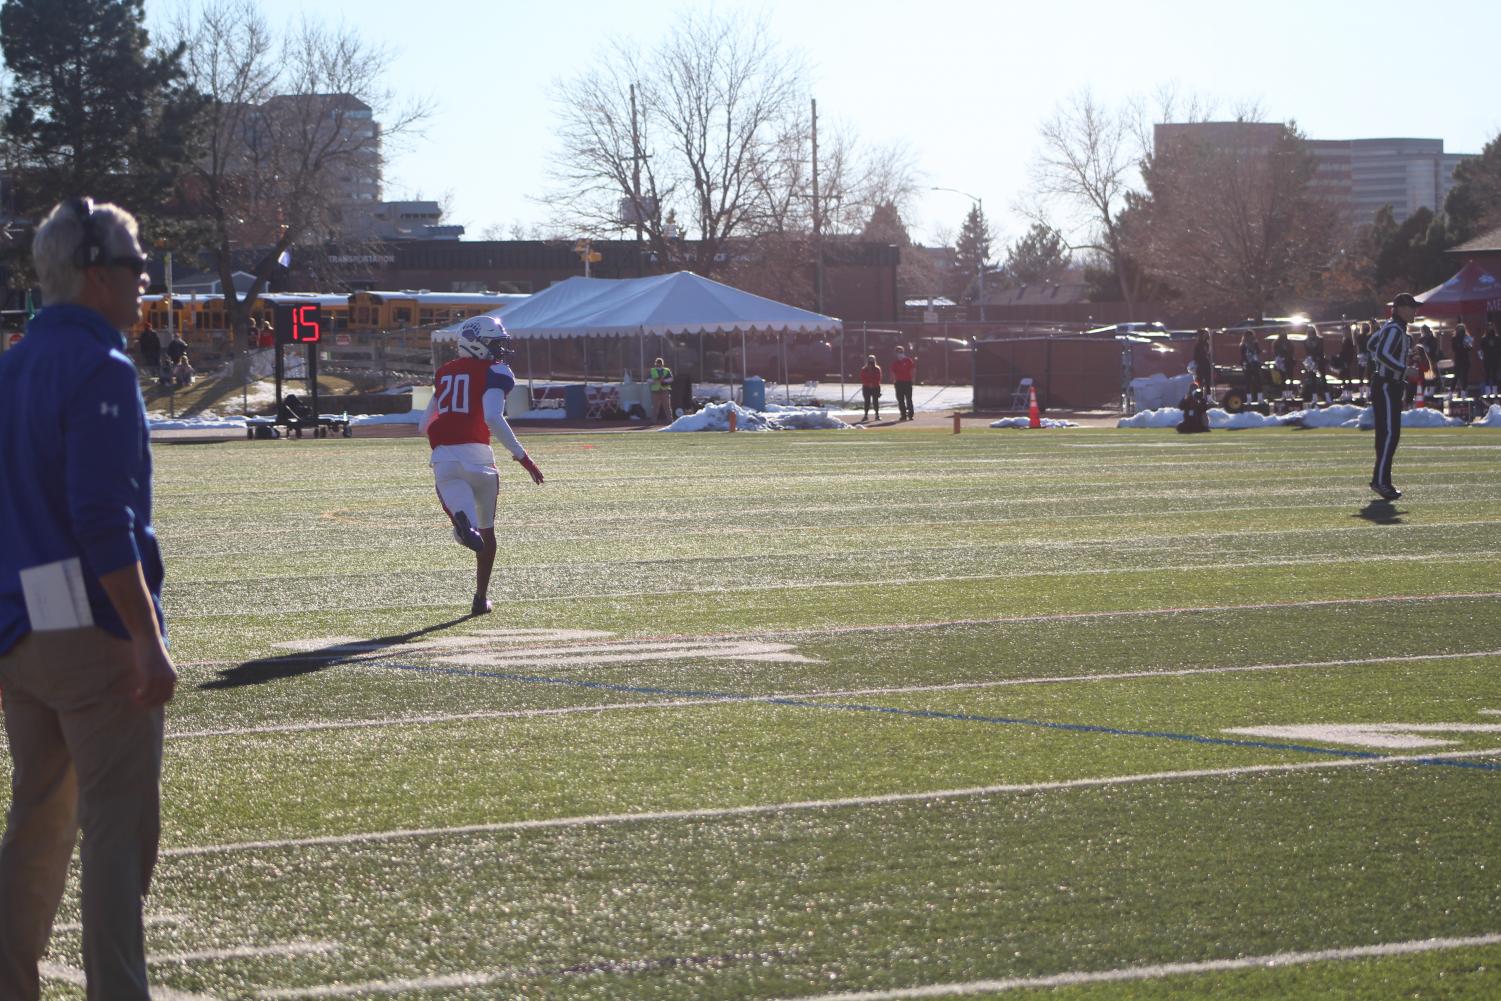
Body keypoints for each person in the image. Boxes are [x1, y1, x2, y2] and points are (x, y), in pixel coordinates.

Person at [0, 197, 176, 1000]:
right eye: (136, 265)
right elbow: (105, 518)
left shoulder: (10, 363)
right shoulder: (99, 367)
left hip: (19, 627)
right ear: (98, 274)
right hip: (87, 631)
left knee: (35, 822)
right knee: (117, 830)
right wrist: (144, 635)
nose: (144, 282)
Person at [420, 315, 544, 615]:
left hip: (446, 458)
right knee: (487, 531)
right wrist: (521, 456)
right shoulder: (496, 371)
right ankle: (480, 598)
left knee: (464, 519)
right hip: (480, 458)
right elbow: (492, 416)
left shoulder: (445, 372)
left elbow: (424, 424)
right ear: (477, 344)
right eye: (494, 344)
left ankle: (463, 528)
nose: (500, 351)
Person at [1368, 292, 1421, 500]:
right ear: (1399, 309)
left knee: (1386, 434)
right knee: (1390, 434)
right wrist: (1403, 368)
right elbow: (1381, 353)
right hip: (1387, 385)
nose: (1415, 311)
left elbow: (1372, 345)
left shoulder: (1393, 328)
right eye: (1411, 307)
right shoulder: (1395, 329)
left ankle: (1381, 480)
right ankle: (1381, 481)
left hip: (1386, 384)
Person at [890, 344, 915, 420]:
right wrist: (894, 380)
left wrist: (912, 379)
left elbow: (913, 370)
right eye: (897, 352)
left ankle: (910, 414)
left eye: (900, 351)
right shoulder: (895, 362)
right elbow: (893, 372)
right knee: (900, 400)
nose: (899, 353)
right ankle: (903, 415)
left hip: (907, 382)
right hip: (899, 382)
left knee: (909, 399)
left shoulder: (908, 360)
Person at [1240, 330, 1264, 405]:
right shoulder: (1243, 345)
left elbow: (1258, 351)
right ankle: (1251, 399)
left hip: (1254, 364)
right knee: (1249, 382)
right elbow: (1242, 356)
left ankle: (1257, 399)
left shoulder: (1254, 343)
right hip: (1249, 364)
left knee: (1256, 381)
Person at [647, 357, 673, 423]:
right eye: (657, 363)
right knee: (655, 407)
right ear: (655, 363)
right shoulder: (652, 370)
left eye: (660, 363)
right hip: (655, 391)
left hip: (664, 390)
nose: (659, 364)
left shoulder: (666, 370)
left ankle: (670, 420)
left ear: (662, 363)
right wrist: (655, 380)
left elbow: (671, 379)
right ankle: (653, 420)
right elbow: (648, 380)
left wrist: (664, 380)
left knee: (667, 406)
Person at [1450, 323, 1473, 399]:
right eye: (1459, 329)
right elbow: (1454, 349)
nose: (1460, 331)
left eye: (1462, 329)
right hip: (1458, 359)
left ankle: (1463, 393)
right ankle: (1451, 393)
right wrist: (1459, 344)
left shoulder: (1467, 337)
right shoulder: (1454, 338)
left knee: (1465, 376)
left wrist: (1467, 345)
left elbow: (1470, 348)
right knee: (1456, 376)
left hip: (1465, 359)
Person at [1338, 325, 1359, 401]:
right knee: (1345, 377)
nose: (1343, 332)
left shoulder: (1348, 340)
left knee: (1346, 377)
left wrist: (1347, 361)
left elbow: (1349, 353)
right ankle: (1346, 393)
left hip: (1346, 361)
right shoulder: (1345, 340)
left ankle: (1347, 393)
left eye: (1344, 331)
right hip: (1344, 361)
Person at [858, 354, 882, 422]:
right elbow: (863, 378)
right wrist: (868, 383)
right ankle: (866, 415)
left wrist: (873, 383)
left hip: (875, 387)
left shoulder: (877, 369)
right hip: (866, 387)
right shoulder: (864, 369)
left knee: (875, 401)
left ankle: (877, 415)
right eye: (870, 360)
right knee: (867, 401)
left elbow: (878, 378)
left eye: (872, 360)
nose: (871, 362)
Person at [1482, 323, 1501, 397]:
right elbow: (1481, 349)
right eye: (1489, 327)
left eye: (1491, 326)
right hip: (1487, 359)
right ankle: (1488, 391)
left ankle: (1495, 391)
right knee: (1487, 375)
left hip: (1495, 359)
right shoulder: (1484, 339)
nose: (1490, 328)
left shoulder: (1497, 338)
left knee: (1494, 375)